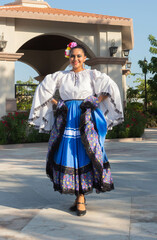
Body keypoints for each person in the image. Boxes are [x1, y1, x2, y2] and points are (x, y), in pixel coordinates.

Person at [29, 42, 124, 216]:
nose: (75, 59)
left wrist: (95, 101)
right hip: (66, 119)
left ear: (85, 58)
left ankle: (81, 198)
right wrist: (59, 103)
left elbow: (110, 88)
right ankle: (77, 196)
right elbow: (43, 90)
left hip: (85, 117)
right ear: (69, 57)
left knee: (85, 153)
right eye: (72, 56)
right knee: (69, 154)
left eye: (79, 56)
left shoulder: (92, 75)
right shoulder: (61, 76)